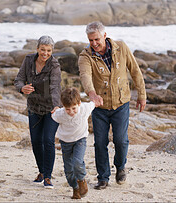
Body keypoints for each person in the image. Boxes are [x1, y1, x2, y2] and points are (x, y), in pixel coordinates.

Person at [78, 21, 146, 190]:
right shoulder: (85, 56)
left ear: (104, 36)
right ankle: (103, 178)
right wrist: (92, 94)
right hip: (99, 108)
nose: (94, 43)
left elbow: (135, 71)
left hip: (121, 104)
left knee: (121, 140)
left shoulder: (121, 47)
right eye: (90, 40)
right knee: (100, 143)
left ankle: (121, 167)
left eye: (96, 39)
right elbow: (85, 76)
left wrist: (142, 95)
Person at [14, 35, 61, 189]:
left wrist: (56, 105)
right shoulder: (28, 60)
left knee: (48, 141)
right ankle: (41, 172)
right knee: (35, 142)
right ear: (37, 49)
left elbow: (55, 87)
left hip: (50, 109)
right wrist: (22, 88)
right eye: (42, 50)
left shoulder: (54, 65)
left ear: (52, 51)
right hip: (34, 107)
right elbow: (19, 79)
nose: (45, 53)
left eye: (48, 50)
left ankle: (48, 177)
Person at [52, 87, 98, 199]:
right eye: (68, 109)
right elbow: (53, 115)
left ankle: (82, 180)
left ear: (79, 103)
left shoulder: (85, 108)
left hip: (80, 140)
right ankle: (75, 188)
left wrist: (98, 99)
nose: (71, 112)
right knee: (68, 169)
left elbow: (94, 103)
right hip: (65, 142)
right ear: (63, 106)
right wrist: (55, 110)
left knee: (77, 161)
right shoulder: (60, 114)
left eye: (74, 108)